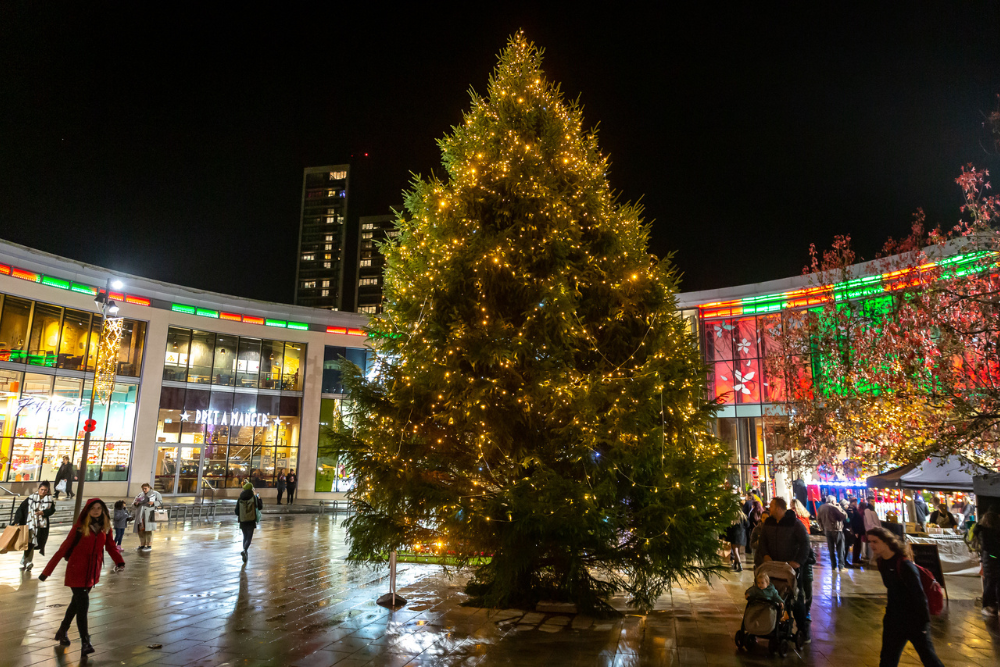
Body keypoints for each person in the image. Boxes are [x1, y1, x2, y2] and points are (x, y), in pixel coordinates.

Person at [39, 498, 125, 656]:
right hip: (76, 571)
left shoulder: (105, 528)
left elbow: (111, 547)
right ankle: (85, 642)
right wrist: (46, 572)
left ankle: (62, 631)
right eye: (93, 508)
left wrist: (119, 561)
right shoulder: (79, 528)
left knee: (75, 604)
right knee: (83, 606)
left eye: (99, 508)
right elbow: (63, 548)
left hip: (92, 573)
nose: (96, 511)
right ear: (87, 510)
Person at [867, 526, 944, 667]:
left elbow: (919, 595)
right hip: (893, 619)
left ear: (886, 542)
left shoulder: (904, 565)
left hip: (914, 621)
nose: (871, 545)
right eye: (870, 542)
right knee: (887, 659)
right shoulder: (882, 562)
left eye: (875, 541)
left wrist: (924, 623)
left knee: (929, 659)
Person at [757, 497, 811, 642]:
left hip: (789, 569)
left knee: (796, 599)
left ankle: (803, 630)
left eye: (772, 505)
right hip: (773, 568)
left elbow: (805, 543)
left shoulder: (794, 523)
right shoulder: (769, 523)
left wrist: (798, 562)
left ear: (779, 508)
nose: (769, 507)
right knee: (774, 597)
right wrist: (766, 554)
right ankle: (775, 625)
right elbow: (762, 542)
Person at [14, 481, 55, 571]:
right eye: (42, 490)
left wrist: (43, 512)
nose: (43, 492)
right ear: (38, 489)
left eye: (45, 490)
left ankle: (24, 561)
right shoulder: (31, 498)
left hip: (40, 526)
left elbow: (52, 511)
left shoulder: (49, 500)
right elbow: (21, 509)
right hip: (29, 524)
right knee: (30, 542)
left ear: (48, 491)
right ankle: (28, 562)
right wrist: (17, 521)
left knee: (32, 543)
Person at [973, 506, 1000, 615]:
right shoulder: (987, 532)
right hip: (992, 560)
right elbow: (991, 549)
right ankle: (988, 606)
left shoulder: (982, 530)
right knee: (992, 583)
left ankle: (990, 606)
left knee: (991, 583)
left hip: (989, 561)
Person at [818, 495, 849, 572]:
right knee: (840, 548)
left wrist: (823, 528)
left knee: (831, 549)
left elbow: (818, 519)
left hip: (827, 530)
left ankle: (833, 566)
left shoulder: (821, 508)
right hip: (837, 530)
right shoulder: (833, 507)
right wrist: (840, 507)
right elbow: (844, 516)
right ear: (832, 501)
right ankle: (841, 566)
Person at [236, 480, 264, 564]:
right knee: (249, 537)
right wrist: (259, 499)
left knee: (245, 536)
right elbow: (260, 507)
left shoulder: (240, 498)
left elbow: (236, 511)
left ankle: (245, 552)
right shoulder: (254, 497)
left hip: (243, 521)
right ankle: (245, 550)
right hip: (251, 520)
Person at [132, 483, 163, 551]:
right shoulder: (140, 494)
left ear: (149, 488)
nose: (144, 490)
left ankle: (149, 545)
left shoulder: (155, 493)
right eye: (143, 489)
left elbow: (160, 502)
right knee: (141, 530)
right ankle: (142, 544)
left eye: (145, 488)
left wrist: (154, 503)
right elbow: (133, 504)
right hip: (140, 514)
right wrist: (135, 503)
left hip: (149, 514)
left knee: (149, 530)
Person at [863, 498, 881, 563]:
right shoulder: (867, 510)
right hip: (871, 530)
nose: (873, 502)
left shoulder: (872, 509)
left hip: (875, 530)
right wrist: (878, 527)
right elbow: (870, 522)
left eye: (874, 501)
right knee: (872, 545)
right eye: (871, 501)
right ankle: (871, 560)